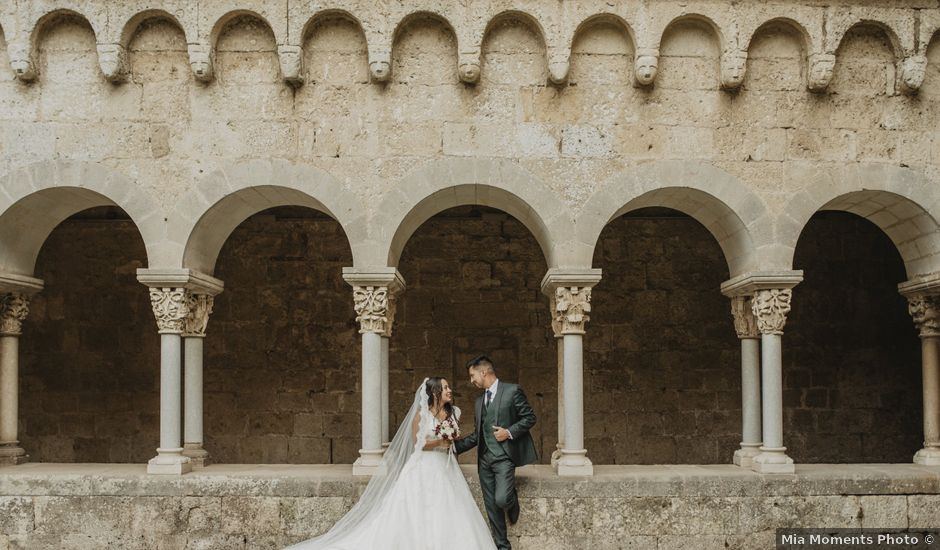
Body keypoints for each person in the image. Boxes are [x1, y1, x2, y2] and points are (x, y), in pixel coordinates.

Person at [285, 377, 497, 550]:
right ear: (434, 393)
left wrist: (452, 440)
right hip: (424, 465)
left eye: (448, 387)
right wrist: (440, 442)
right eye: (445, 387)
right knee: (417, 506)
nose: (450, 390)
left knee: (451, 507)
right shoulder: (421, 415)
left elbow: (455, 438)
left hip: (445, 466)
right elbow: (418, 443)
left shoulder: (454, 412)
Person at [454, 356, 538, 550]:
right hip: (484, 461)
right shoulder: (478, 401)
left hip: (504, 458)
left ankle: (511, 496)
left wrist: (508, 432)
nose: (471, 380)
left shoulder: (512, 391)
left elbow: (530, 417)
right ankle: (502, 546)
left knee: (501, 499)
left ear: (483, 372)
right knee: (492, 507)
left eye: (472, 375)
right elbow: (478, 434)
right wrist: (454, 447)